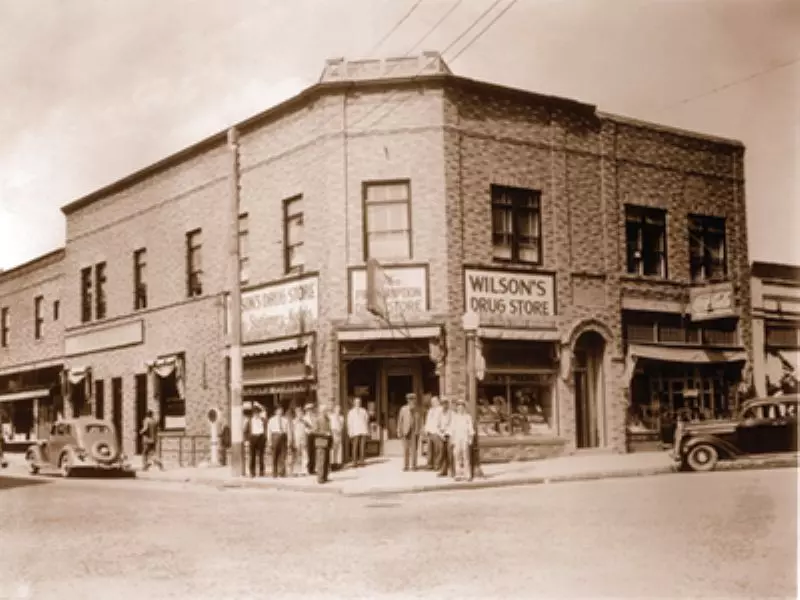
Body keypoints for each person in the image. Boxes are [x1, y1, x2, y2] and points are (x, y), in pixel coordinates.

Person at [450, 399, 475, 481]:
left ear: (464, 408)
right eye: (458, 407)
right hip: (457, 439)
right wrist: (452, 440)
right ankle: (458, 474)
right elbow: (452, 429)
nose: (460, 409)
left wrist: (470, 439)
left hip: (465, 438)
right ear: (457, 408)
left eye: (462, 407)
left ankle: (467, 474)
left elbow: (470, 429)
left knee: (466, 457)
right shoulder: (454, 417)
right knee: (457, 457)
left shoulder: (467, 417)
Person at [397, 392, 423, 471]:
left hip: (414, 432)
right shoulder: (403, 409)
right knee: (406, 449)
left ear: (415, 400)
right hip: (405, 431)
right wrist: (399, 430)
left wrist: (420, 430)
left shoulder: (418, 409)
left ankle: (414, 466)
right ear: (407, 400)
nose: (411, 401)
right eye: (409, 399)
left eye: (413, 399)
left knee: (414, 450)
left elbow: (421, 421)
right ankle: (406, 466)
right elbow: (400, 421)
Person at [267, 405, 290, 478]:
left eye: (281, 410)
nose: (280, 412)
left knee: (283, 455)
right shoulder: (271, 420)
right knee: (275, 455)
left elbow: (288, 430)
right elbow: (269, 431)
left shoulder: (285, 420)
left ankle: (282, 472)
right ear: (275, 411)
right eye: (278, 410)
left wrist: (289, 440)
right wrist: (269, 441)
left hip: (283, 437)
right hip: (275, 436)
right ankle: (274, 472)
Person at [245, 405, 267, 478]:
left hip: (261, 438)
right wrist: (247, 440)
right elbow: (246, 431)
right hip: (253, 438)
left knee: (261, 456)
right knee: (252, 456)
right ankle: (252, 472)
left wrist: (265, 438)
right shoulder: (250, 421)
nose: (256, 414)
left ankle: (261, 471)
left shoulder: (263, 420)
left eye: (257, 413)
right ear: (253, 413)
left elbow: (265, 429)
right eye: (255, 413)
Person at [347, 397, 369, 467]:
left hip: (363, 430)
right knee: (355, 447)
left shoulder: (364, 411)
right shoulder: (351, 412)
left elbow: (366, 420)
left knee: (362, 447)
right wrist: (350, 431)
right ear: (354, 403)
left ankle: (362, 461)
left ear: (360, 403)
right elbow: (349, 423)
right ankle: (354, 462)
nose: (358, 403)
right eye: (356, 402)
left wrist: (367, 430)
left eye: (359, 402)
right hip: (355, 431)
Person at [314, 404, 333, 484]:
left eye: (326, 410)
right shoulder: (317, 420)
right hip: (320, 443)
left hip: (327, 443)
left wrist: (331, 441)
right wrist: (325, 433)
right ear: (321, 411)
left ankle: (325, 477)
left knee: (326, 461)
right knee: (321, 461)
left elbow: (330, 431)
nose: (326, 412)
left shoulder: (328, 419)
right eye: (324, 411)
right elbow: (315, 432)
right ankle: (320, 478)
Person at [437, 397, 454, 478]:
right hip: (441, 435)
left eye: (446, 403)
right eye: (443, 404)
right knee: (442, 453)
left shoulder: (452, 413)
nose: (444, 405)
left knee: (450, 453)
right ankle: (443, 470)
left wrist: (447, 433)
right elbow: (437, 425)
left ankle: (452, 470)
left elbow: (452, 425)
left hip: (449, 434)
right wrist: (441, 434)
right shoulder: (439, 414)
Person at [424, 396, 442, 470]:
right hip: (430, 432)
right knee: (430, 450)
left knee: (437, 450)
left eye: (435, 401)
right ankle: (429, 465)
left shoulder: (440, 410)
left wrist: (440, 431)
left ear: (438, 402)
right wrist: (426, 430)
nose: (433, 403)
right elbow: (427, 420)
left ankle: (437, 465)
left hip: (436, 432)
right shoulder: (430, 410)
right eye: (432, 402)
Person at [290, 406, 309, 477]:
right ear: (296, 414)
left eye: (301, 413)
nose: (300, 414)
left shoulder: (304, 422)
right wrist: (292, 441)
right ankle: (295, 471)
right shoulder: (293, 422)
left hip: (303, 440)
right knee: (296, 456)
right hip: (296, 440)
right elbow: (291, 432)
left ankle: (304, 470)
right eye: (298, 413)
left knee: (305, 455)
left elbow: (309, 429)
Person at [303, 402, 317, 474]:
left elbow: (316, 426)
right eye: (308, 410)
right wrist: (310, 430)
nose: (310, 411)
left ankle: (313, 468)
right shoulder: (304, 418)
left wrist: (314, 430)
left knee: (314, 453)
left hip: (314, 435)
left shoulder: (315, 417)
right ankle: (309, 469)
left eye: (311, 409)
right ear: (306, 410)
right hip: (308, 436)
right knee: (309, 452)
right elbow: (304, 428)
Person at [329, 403, 344, 471]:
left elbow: (342, 426)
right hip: (333, 434)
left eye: (339, 409)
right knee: (333, 449)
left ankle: (338, 463)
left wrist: (339, 431)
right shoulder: (331, 416)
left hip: (339, 434)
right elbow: (330, 426)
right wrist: (334, 431)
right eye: (337, 409)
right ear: (334, 409)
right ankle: (332, 464)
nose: (338, 410)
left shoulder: (341, 417)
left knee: (339, 449)